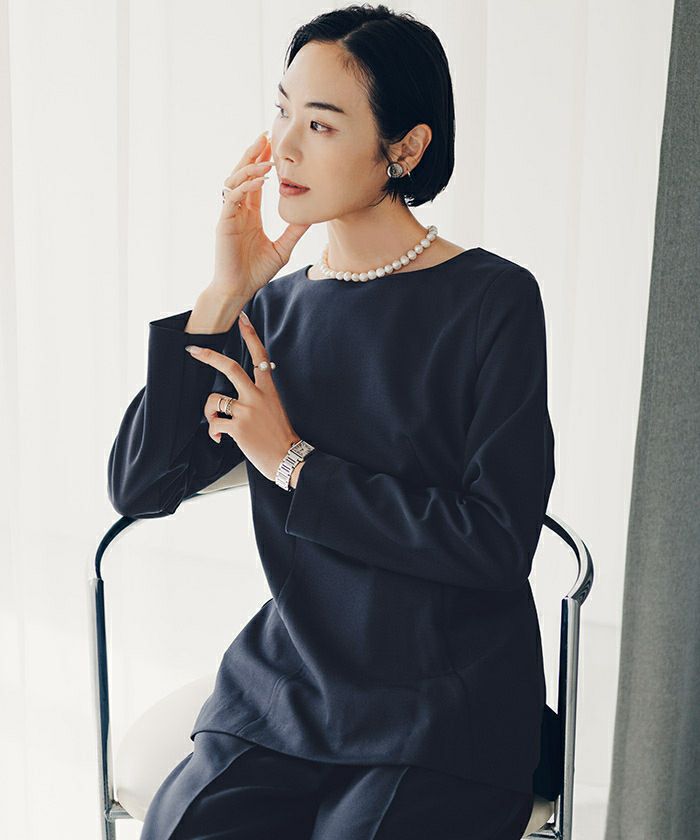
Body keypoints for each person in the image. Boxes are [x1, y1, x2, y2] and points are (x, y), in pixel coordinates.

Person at [107, 5, 556, 838]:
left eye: (319, 124)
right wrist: (223, 295)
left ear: (405, 148)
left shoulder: (492, 300)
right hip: (287, 689)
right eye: (281, 112)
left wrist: (294, 464)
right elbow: (142, 486)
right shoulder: (271, 313)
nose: (283, 147)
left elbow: (497, 544)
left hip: (441, 700)